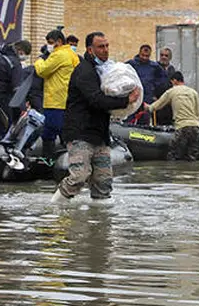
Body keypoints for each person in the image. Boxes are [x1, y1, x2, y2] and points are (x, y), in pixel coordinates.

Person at [51, 32, 140, 203]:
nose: (105, 50)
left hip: (99, 134)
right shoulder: (84, 71)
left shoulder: (104, 71)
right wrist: (125, 100)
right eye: (101, 47)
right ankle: (54, 210)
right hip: (80, 133)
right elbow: (96, 100)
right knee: (79, 176)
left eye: (107, 46)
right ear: (90, 50)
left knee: (103, 181)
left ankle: (100, 222)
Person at [35, 29, 80, 156]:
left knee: (48, 133)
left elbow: (42, 70)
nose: (49, 45)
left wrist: (39, 59)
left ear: (59, 42)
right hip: (66, 100)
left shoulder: (59, 54)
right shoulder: (71, 54)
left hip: (55, 101)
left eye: (50, 43)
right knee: (65, 132)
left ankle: (48, 160)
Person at [145, 71, 199, 161]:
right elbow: (197, 112)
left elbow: (158, 105)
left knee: (174, 156)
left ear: (174, 81)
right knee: (192, 157)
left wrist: (148, 107)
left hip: (182, 127)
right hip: (196, 127)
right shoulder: (194, 92)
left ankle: (175, 173)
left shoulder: (172, 91)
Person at [0, 40, 32, 138]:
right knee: (4, 136)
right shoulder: (14, 63)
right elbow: (17, 89)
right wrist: (22, 108)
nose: (24, 57)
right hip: (4, 105)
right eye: (25, 54)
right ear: (20, 50)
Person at [126, 44, 169, 125]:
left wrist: (156, 93)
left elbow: (163, 80)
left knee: (144, 122)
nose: (144, 58)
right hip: (133, 98)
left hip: (147, 99)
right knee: (129, 121)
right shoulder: (131, 64)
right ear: (139, 53)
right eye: (143, 55)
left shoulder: (154, 66)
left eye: (147, 56)